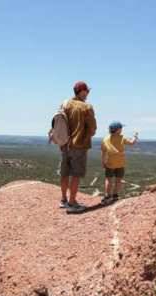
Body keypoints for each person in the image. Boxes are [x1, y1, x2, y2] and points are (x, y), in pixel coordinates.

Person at [59, 81, 97, 213]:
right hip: (79, 145)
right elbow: (92, 128)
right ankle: (71, 204)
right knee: (76, 174)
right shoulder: (87, 107)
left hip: (65, 144)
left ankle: (63, 200)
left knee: (64, 173)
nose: (88, 94)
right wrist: (86, 135)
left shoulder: (65, 104)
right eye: (87, 91)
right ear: (83, 92)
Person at [100, 121, 137, 204]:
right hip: (120, 163)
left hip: (110, 163)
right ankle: (115, 195)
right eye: (121, 128)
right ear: (118, 129)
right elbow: (132, 143)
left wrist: (103, 162)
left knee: (108, 179)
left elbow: (103, 152)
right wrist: (135, 136)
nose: (122, 129)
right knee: (118, 179)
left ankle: (108, 196)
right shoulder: (122, 137)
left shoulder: (105, 139)